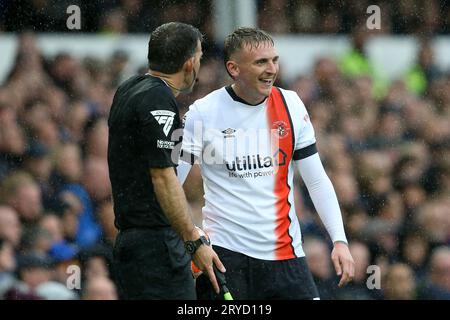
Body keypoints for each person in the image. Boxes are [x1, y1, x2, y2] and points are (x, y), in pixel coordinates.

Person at [178, 27, 354, 299]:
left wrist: (339, 239)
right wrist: (192, 238)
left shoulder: (291, 104)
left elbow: (316, 180)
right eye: (261, 62)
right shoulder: (202, 113)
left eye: (275, 60)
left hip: (287, 255)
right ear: (233, 69)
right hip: (226, 256)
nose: (272, 69)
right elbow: (170, 183)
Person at [107, 22, 224, 300]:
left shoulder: (128, 89)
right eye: (199, 56)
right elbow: (162, 176)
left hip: (132, 242)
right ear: (188, 63)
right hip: (155, 246)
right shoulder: (158, 97)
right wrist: (192, 239)